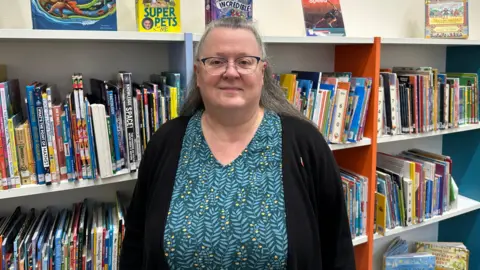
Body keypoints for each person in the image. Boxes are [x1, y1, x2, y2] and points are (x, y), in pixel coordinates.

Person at [120, 17, 355, 270]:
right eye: (216, 61)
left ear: (262, 72)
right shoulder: (166, 141)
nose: (231, 72)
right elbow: (136, 242)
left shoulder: (306, 144)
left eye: (244, 61)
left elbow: (336, 247)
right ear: (198, 74)